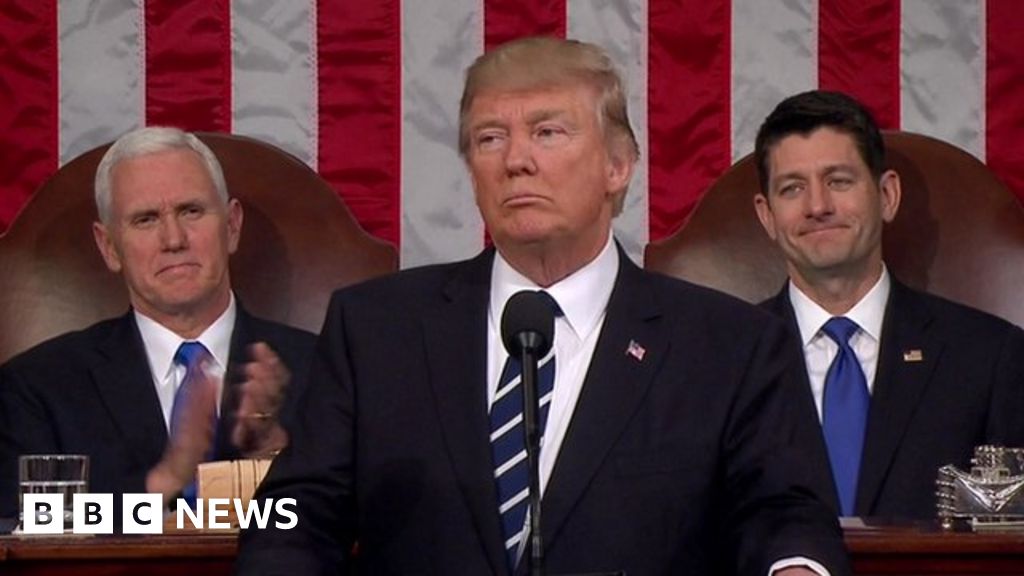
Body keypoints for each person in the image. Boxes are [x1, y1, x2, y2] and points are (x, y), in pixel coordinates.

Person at [235, 37, 849, 575]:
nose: (516, 160)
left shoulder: (727, 344)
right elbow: (298, 513)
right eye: (490, 138)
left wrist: (793, 567)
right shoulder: (376, 330)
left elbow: (783, 512)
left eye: (548, 132)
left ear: (618, 165)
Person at [0, 127, 315, 516]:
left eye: (191, 211)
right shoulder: (39, 388)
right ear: (110, 247)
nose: (173, 239)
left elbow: (363, 517)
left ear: (232, 226)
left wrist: (274, 451)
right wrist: (163, 481)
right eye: (146, 219)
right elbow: (28, 524)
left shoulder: (325, 369)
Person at [752, 90, 1024, 519]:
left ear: (887, 195)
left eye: (839, 181)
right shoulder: (720, 360)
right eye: (792, 188)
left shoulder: (990, 358)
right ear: (767, 216)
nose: (818, 206)